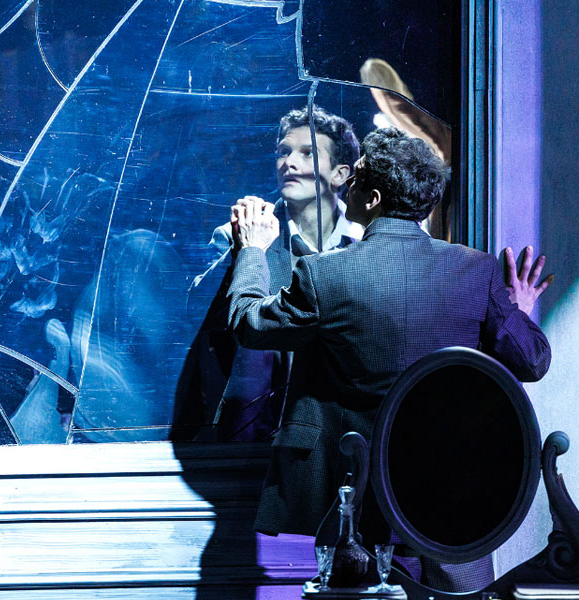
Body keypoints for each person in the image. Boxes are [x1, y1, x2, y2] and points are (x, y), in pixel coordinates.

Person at [226, 127, 553, 592]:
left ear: (373, 198)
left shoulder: (324, 275)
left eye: (355, 178)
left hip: (361, 510)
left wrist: (252, 251)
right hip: (453, 506)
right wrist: (515, 311)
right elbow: (532, 361)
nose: (346, 186)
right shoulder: (476, 271)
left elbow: (249, 323)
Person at [175, 106, 361, 441]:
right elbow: (198, 318)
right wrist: (247, 249)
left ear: (339, 174)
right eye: (283, 152)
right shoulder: (238, 234)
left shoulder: (364, 242)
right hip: (260, 434)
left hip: (345, 426)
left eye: (307, 153)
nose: (289, 162)